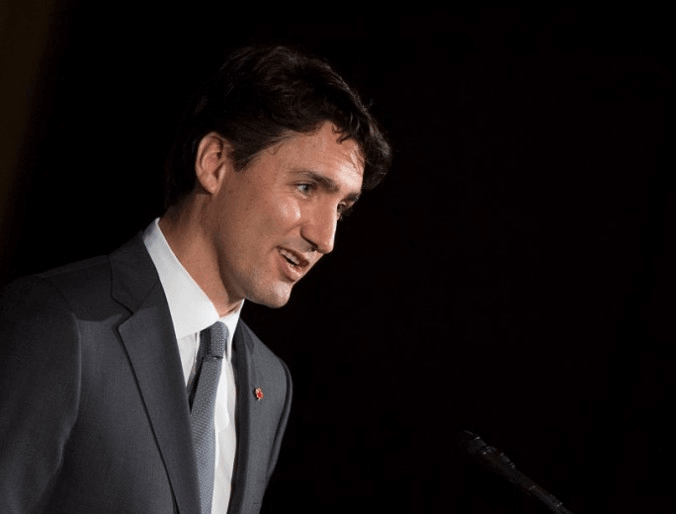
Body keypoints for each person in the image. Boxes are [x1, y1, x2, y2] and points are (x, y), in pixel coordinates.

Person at [0, 44, 392, 513]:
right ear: (215, 162)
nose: (324, 237)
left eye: (342, 208)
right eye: (307, 188)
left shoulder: (270, 382)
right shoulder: (63, 322)